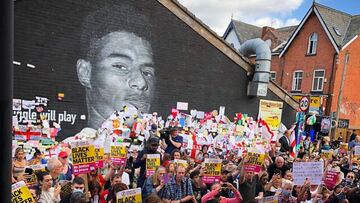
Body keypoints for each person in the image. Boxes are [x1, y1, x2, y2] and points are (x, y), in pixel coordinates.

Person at [76, 4, 155, 131]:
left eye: (147, 72)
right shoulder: (72, 148)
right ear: (85, 72)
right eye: (120, 66)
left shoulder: (153, 147)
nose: (141, 83)